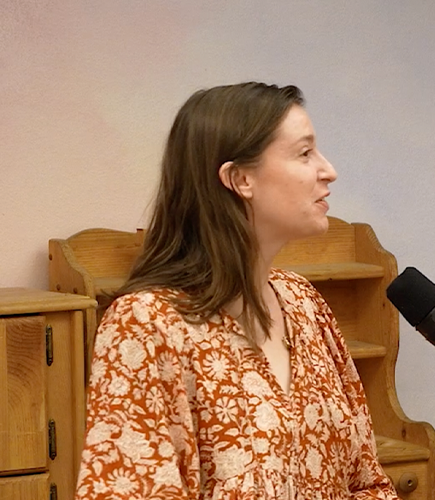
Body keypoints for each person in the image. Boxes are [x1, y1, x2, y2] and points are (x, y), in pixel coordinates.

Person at [76, 82, 397, 499]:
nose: (328, 170)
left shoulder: (303, 302)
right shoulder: (145, 325)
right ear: (240, 178)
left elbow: (366, 482)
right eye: (304, 153)